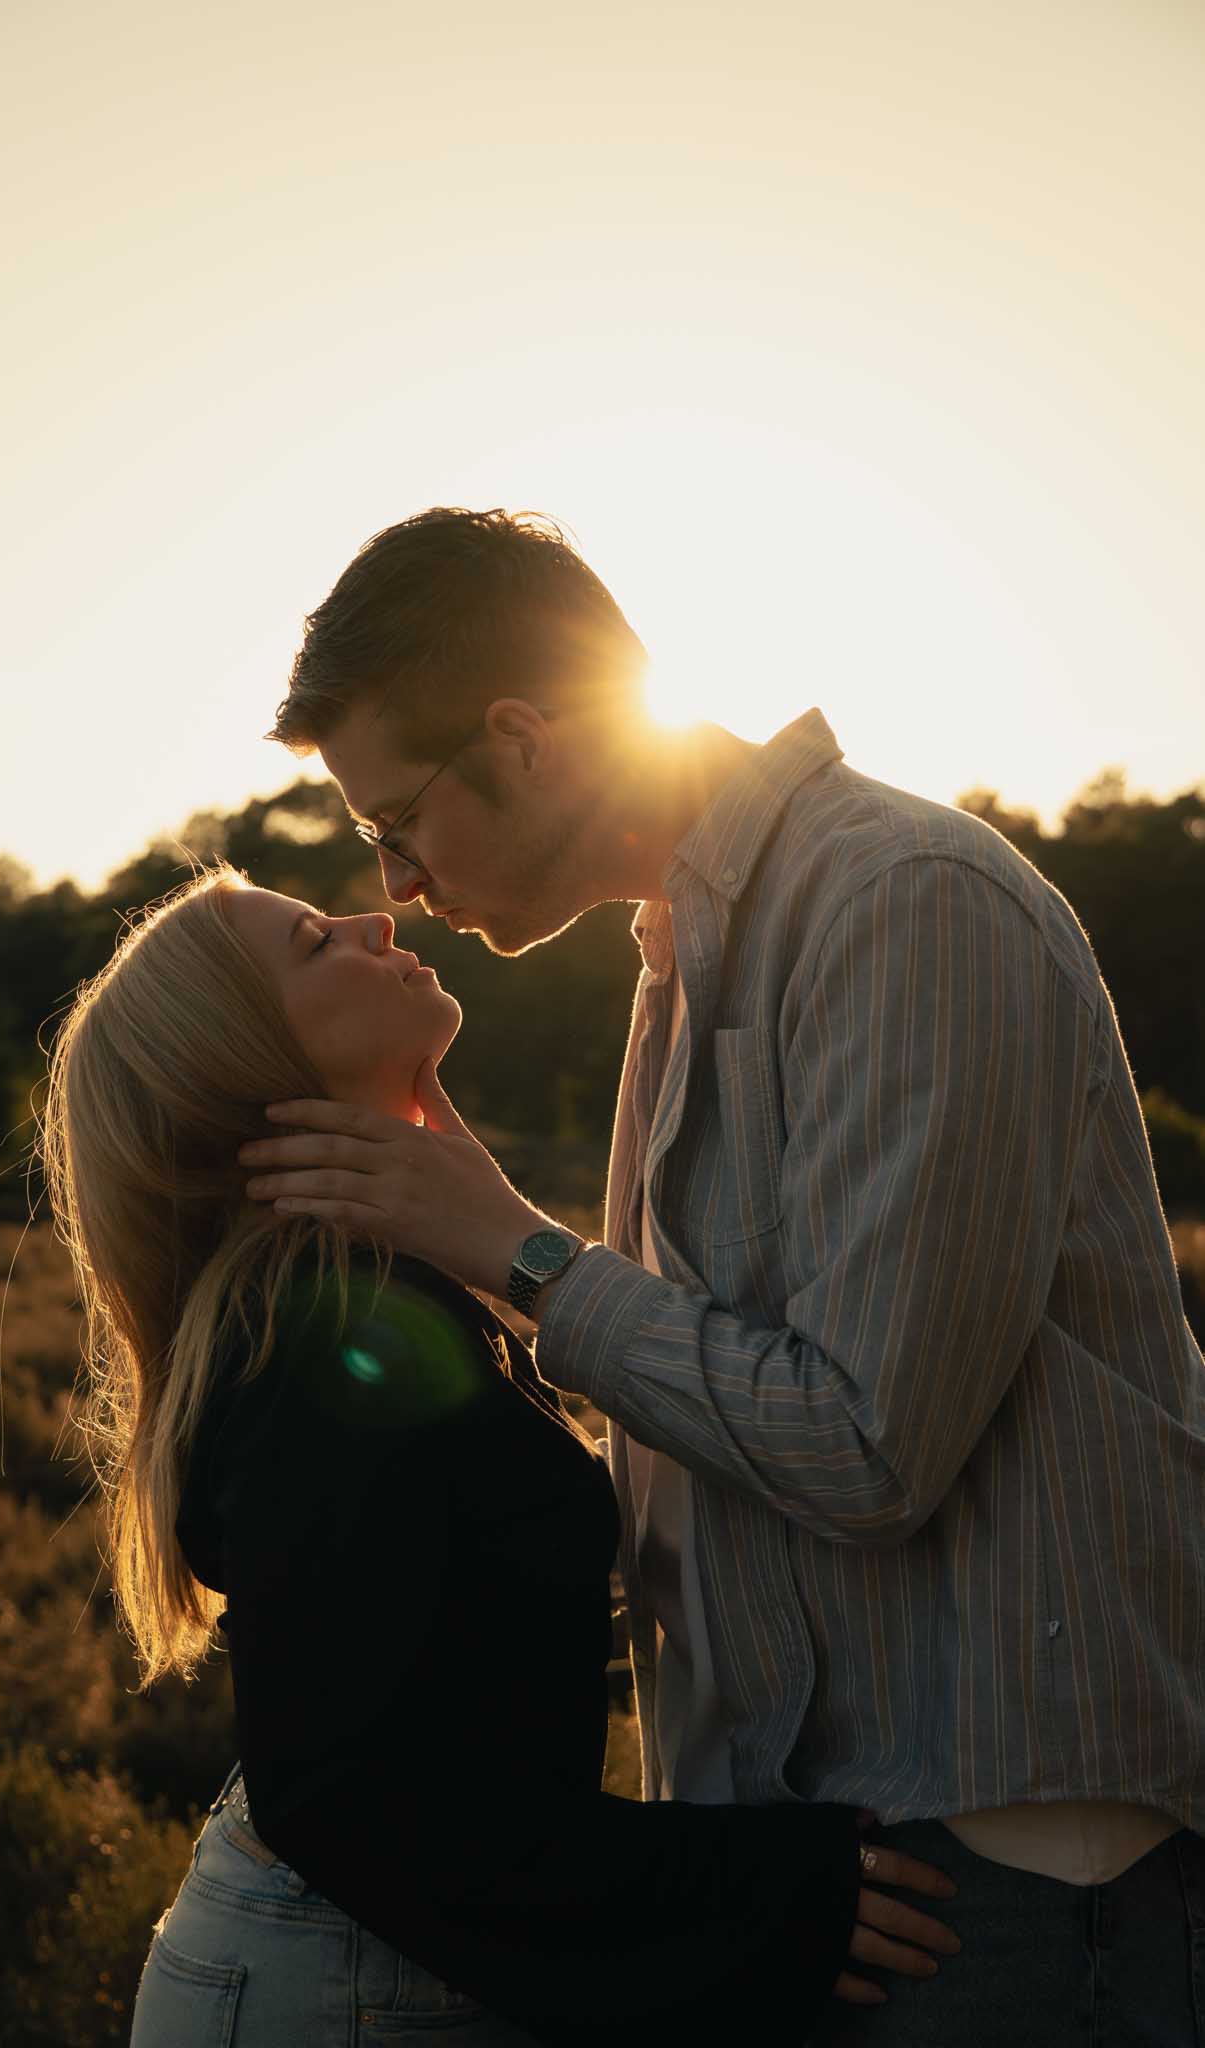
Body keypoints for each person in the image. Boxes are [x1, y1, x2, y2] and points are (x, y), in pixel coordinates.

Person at [243, 506, 1205, 2045]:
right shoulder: (683, 960)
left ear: (524, 737)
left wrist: (521, 1253)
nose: (398, 880)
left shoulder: (902, 905)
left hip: (1001, 1879)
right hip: (830, 1869)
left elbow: (867, 1443)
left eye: (395, 820)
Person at [39, 869, 959, 2048]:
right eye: (320, 943)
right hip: (351, 1982)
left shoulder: (356, 1295)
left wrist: (490, 1230)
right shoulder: (324, 1344)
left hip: (361, 1958)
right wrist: (770, 1888)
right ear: (253, 1061)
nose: (379, 918)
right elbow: (354, 1802)